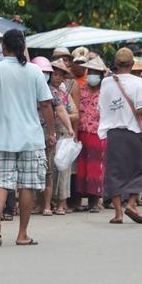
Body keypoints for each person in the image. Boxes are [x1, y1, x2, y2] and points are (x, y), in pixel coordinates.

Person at [0, 29, 55, 247]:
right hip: (30, 137)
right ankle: (22, 235)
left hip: (2, 136)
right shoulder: (35, 71)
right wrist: (52, 132)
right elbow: (46, 104)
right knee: (26, 186)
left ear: (4, 47)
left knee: (1, 182)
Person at [98, 48, 142, 224]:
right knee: (138, 169)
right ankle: (132, 204)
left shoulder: (106, 83)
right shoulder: (139, 82)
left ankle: (118, 213)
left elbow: (101, 107)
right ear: (132, 64)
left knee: (114, 172)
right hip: (133, 131)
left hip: (113, 132)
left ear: (116, 63)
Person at [34, 57, 75, 216]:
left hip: (47, 135)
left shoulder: (51, 92)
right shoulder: (26, 89)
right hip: (30, 135)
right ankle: (37, 203)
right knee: (34, 170)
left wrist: (69, 127)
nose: (45, 75)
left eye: (47, 73)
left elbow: (61, 110)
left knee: (48, 170)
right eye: (42, 72)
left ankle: (46, 206)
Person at [74, 56, 107, 212]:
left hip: (98, 132)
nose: (92, 75)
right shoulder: (81, 90)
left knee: (96, 167)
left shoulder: (106, 91)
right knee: (81, 166)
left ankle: (94, 200)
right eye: (90, 71)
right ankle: (79, 199)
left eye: (96, 72)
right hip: (81, 131)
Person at [46, 59, 78, 214]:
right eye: (54, 74)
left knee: (63, 168)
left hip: (64, 134)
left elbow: (75, 114)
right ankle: (46, 202)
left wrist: (61, 117)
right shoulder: (45, 91)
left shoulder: (65, 95)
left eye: (60, 75)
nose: (57, 77)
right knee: (49, 168)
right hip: (49, 133)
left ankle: (61, 203)